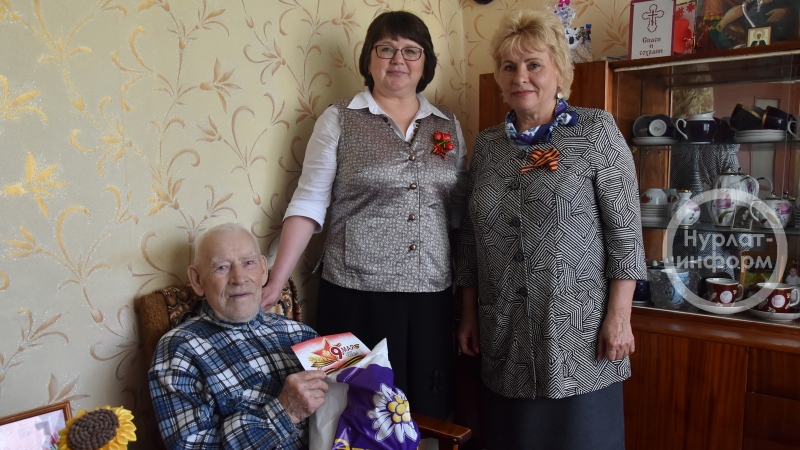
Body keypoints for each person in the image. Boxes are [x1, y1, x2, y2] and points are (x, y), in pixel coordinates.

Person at [260, 11, 467, 420]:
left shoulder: (448, 124)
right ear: (369, 58)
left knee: (424, 410)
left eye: (411, 51)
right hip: (354, 293)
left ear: (425, 62)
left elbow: (457, 213)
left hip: (431, 294)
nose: (398, 59)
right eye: (386, 48)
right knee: (353, 411)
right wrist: (276, 281)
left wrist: (467, 294)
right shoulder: (339, 118)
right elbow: (309, 202)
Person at [456, 10, 646, 450]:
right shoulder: (488, 145)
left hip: (579, 337)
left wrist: (620, 318)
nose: (520, 76)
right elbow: (470, 237)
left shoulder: (595, 131)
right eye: (509, 66)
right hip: (505, 332)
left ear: (559, 71)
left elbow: (625, 234)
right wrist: (468, 313)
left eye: (533, 64)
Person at [149, 223, 328, 449]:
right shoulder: (179, 350)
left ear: (263, 270)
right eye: (222, 267)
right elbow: (190, 446)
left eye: (248, 263)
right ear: (197, 280)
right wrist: (285, 412)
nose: (239, 278)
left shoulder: (302, 333)